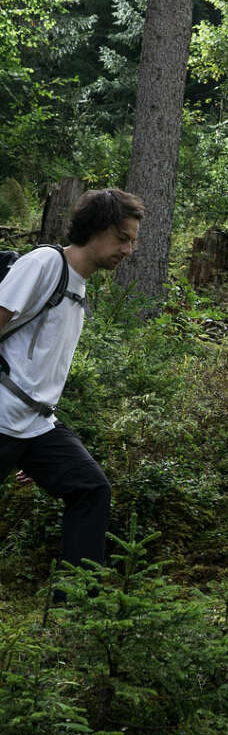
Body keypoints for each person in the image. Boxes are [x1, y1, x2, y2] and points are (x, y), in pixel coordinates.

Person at [0, 188, 144, 574]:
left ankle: (78, 606)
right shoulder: (45, 263)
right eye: (122, 239)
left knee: (90, 490)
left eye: (132, 241)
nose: (128, 250)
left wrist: (34, 445)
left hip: (34, 425)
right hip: (1, 416)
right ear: (96, 229)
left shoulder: (77, 287)